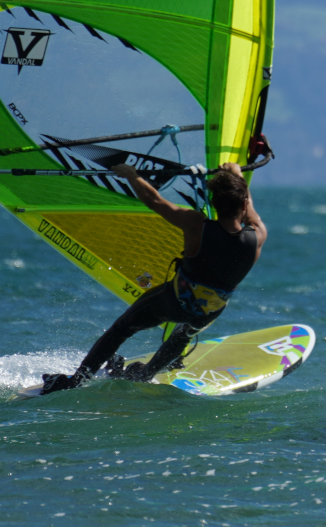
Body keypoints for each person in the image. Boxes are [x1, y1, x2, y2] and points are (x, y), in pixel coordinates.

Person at [39, 161, 267, 394]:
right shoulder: (257, 236)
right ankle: (145, 375)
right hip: (209, 311)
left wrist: (131, 175)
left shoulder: (196, 225)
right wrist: (238, 176)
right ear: (243, 203)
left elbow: (155, 201)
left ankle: (77, 381)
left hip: (172, 302)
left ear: (213, 201)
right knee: (182, 335)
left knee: (122, 328)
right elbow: (251, 213)